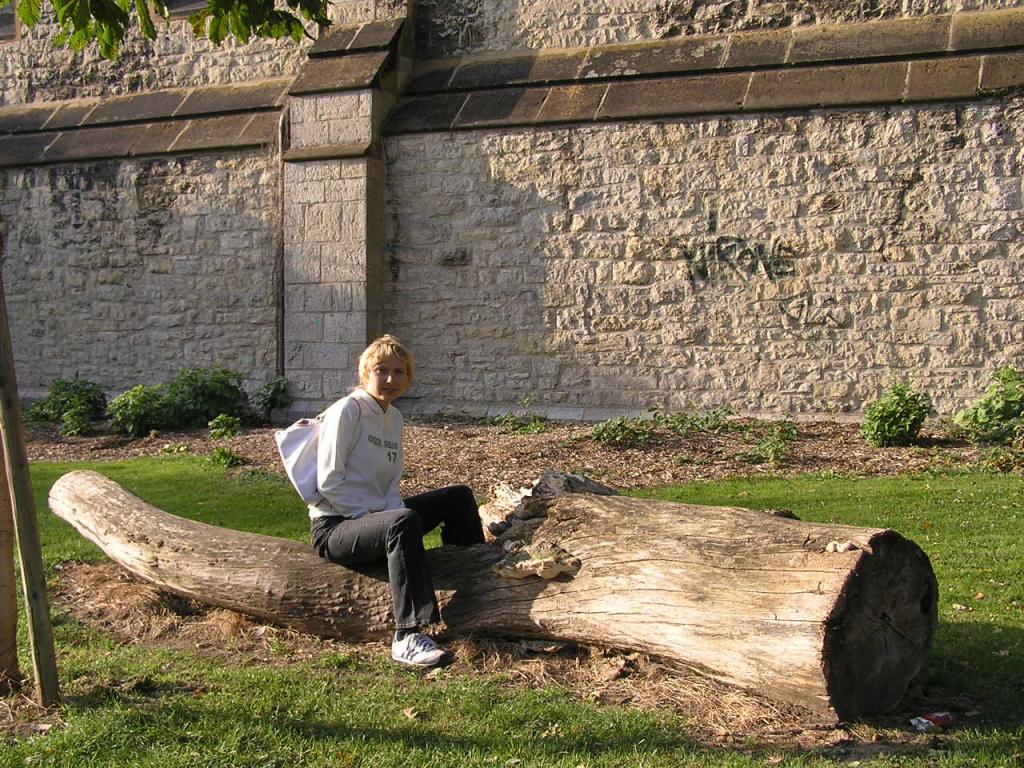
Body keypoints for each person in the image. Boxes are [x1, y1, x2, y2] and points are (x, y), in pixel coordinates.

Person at [309, 335, 485, 667]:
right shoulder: (348, 410)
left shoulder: (394, 418)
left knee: (458, 497)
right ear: (366, 373)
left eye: (398, 372)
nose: (390, 379)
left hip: (379, 519)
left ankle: (477, 579)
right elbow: (328, 480)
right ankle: (407, 635)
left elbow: (389, 487)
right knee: (402, 522)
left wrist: (387, 515)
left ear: (408, 377)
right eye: (381, 370)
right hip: (336, 526)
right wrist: (368, 518)